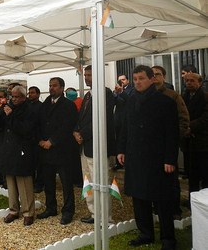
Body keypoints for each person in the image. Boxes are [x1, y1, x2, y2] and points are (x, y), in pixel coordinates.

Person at [117, 65, 179, 249]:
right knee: (139, 198)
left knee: (162, 201)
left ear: (152, 79)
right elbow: (124, 128)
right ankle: (146, 233)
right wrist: (121, 149)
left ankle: (168, 239)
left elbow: (172, 134)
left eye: (141, 78)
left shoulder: (165, 102)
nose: (137, 82)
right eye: (135, 79)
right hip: (136, 158)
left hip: (158, 160)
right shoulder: (130, 100)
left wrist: (170, 159)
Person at [73, 65, 116, 224]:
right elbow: (82, 118)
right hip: (85, 147)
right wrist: (76, 131)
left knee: (101, 182)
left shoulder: (106, 93)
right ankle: (93, 214)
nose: (87, 77)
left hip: (97, 147)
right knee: (88, 182)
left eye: (90, 75)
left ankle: (105, 218)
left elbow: (102, 118)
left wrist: (82, 134)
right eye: (86, 74)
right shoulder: (87, 95)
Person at [0, 85, 37, 226]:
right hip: (8, 149)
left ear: (23, 97)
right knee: (11, 183)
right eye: (12, 96)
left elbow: (25, 130)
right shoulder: (8, 106)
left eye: (17, 97)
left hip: (23, 149)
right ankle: (13, 210)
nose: (14, 99)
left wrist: (11, 115)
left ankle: (28, 212)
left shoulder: (29, 109)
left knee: (24, 182)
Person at [38, 77, 79, 225]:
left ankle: (68, 211)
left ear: (62, 88)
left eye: (54, 86)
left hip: (63, 151)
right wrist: (41, 140)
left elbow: (67, 127)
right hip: (46, 150)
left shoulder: (68, 105)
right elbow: (40, 123)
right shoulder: (45, 104)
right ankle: (51, 207)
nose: (51, 88)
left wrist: (52, 141)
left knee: (66, 183)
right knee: (48, 182)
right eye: (50, 85)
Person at [152, 65, 190, 220]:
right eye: (152, 75)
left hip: (168, 147)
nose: (155, 77)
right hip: (152, 148)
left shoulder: (173, 96)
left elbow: (183, 119)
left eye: (158, 74)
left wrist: (173, 139)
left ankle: (174, 210)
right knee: (154, 178)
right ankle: (157, 208)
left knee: (171, 179)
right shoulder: (145, 96)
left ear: (164, 77)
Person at [182, 73, 208, 195]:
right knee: (191, 175)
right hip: (188, 143)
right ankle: (193, 200)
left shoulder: (205, 97)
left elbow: (205, 118)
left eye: (192, 81)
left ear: (200, 82)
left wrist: (190, 127)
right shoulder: (183, 96)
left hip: (202, 141)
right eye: (187, 81)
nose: (189, 83)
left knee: (204, 174)